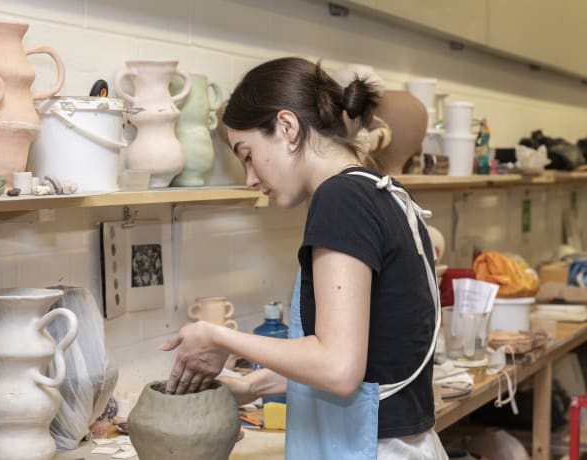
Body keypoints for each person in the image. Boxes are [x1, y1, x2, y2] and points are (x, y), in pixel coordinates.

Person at [161, 56, 448, 459]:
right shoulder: (381, 191)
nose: (251, 179)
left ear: (287, 128)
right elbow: (368, 360)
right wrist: (254, 386)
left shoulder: (341, 200)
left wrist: (216, 335)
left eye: (247, 154)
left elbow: (338, 367)